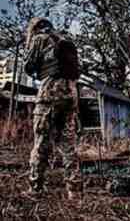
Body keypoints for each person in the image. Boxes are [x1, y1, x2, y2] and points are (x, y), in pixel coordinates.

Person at [23, 17, 82, 199]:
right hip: (70, 96)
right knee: (69, 146)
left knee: (41, 143)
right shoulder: (63, 40)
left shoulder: (39, 39)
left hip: (49, 96)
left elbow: (28, 66)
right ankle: (75, 192)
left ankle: (35, 189)